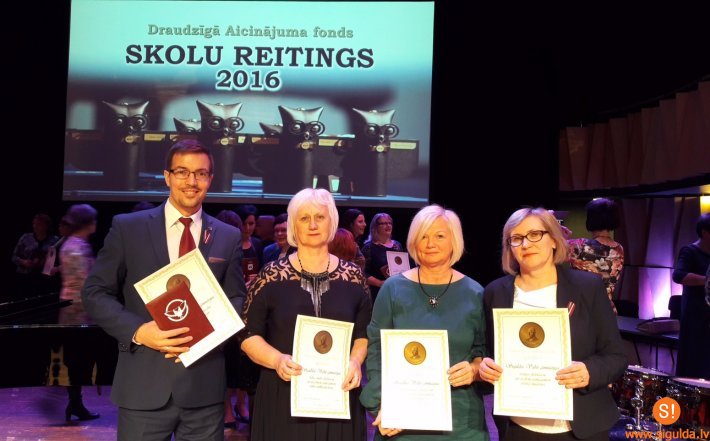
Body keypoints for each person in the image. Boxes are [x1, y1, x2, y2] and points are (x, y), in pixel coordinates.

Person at [81, 139, 247, 441]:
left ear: (210, 179)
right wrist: (139, 331)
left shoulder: (228, 236)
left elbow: (236, 296)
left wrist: (215, 333)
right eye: (182, 172)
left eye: (200, 173)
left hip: (204, 389)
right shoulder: (128, 228)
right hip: (143, 386)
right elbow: (95, 292)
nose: (191, 181)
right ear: (167, 176)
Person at [479, 207, 626, 441]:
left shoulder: (588, 287)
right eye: (516, 238)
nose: (526, 244)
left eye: (535, 234)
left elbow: (616, 356)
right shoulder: (495, 292)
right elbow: (488, 353)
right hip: (518, 428)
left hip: (581, 428)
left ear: (554, 240)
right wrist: (485, 367)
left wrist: (589, 371)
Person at [240, 188, 371, 441]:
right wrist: (277, 360)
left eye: (320, 217)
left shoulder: (354, 276)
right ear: (293, 225)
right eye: (304, 218)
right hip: (283, 394)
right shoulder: (271, 276)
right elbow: (247, 334)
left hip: (339, 392)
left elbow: (364, 333)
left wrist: (355, 362)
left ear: (331, 222)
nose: (312, 225)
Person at [360, 204, 489, 440]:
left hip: (461, 423)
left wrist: (473, 370)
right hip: (401, 420)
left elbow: (483, 353)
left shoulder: (476, 293)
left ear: (454, 241)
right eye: (423, 236)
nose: (430, 244)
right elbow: (376, 348)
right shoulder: (393, 288)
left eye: (439, 236)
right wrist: (379, 405)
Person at [58, 204, 101, 421]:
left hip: (72, 307)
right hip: (77, 310)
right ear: (87, 223)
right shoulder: (77, 248)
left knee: (75, 359)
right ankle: (75, 404)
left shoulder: (72, 244)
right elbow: (86, 282)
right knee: (77, 360)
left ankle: (76, 404)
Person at [566, 198, 624, 313]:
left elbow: (553, 248)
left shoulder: (579, 245)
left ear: (590, 219)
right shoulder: (619, 249)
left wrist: (561, 232)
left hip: (581, 309)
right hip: (607, 309)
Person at [671, 212, 710, 379]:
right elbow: (678, 275)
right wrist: (707, 280)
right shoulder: (690, 251)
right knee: (694, 363)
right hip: (695, 315)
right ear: (705, 232)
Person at [362, 212, 408, 301]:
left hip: (397, 291)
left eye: (390, 223)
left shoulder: (397, 245)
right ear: (375, 227)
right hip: (378, 293)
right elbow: (362, 273)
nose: (388, 225)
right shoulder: (369, 247)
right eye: (383, 223)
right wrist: (379, 283)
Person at [11, 213, 58, 297]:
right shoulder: (26, 237)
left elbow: (57, 259)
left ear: (46, 226)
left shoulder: (54, 240)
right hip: (25, 277)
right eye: (34, 223)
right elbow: (14, 256)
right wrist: (23, 262)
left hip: (45, 279)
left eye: (39, 224)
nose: (35, 226)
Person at [236, 204, 264, 284]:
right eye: (244, 223)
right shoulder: (232, 243)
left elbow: (262, 269)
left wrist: (257, 276)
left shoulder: (257, 243)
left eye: (251, 224)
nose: (247, 228)